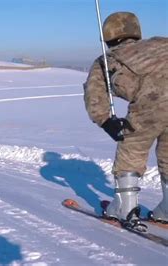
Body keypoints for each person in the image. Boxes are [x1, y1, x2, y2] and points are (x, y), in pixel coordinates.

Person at [84, 12, 168, 224]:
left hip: (150, 106)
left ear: (108, 35)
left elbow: (95, 95)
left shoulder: (108, 59)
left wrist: (106, 121)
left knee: (132, 147)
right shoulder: (162, 44)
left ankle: (125, 206)